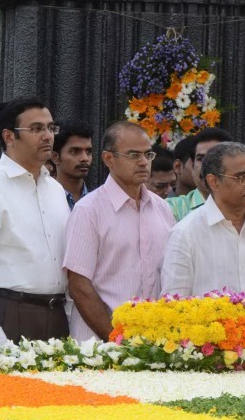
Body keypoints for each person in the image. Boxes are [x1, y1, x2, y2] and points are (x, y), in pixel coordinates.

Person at [0, 96, 69, 344]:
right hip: (8, 315)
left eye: (51, 128)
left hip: (58, 315)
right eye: (37, 129)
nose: (48, 136)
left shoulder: (56, 190)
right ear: (9, 137)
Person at [161, 142, 245, 332]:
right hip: (208, 355)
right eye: (241, 177)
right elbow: (173, 306)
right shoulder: (186, 233)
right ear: (213, 181)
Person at [64, 122, 174, 340]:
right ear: (108, 159)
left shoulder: (162, 208)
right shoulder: (89, 210)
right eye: (134, 155)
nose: (143, 162)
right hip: (100, 344)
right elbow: (79, 286)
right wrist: (116, 339)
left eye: (148, 154)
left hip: (153, 344)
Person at [166, 128, 245, 221]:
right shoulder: (170, 208)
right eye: (201, 159)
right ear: (192, 166)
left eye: (216, 159)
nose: (207, 166)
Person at [52, 120, 93, 208]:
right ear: (55, 157)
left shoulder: (99, 201)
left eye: (88, 152)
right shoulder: (44, 200)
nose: (85, 158)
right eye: (75, 151)